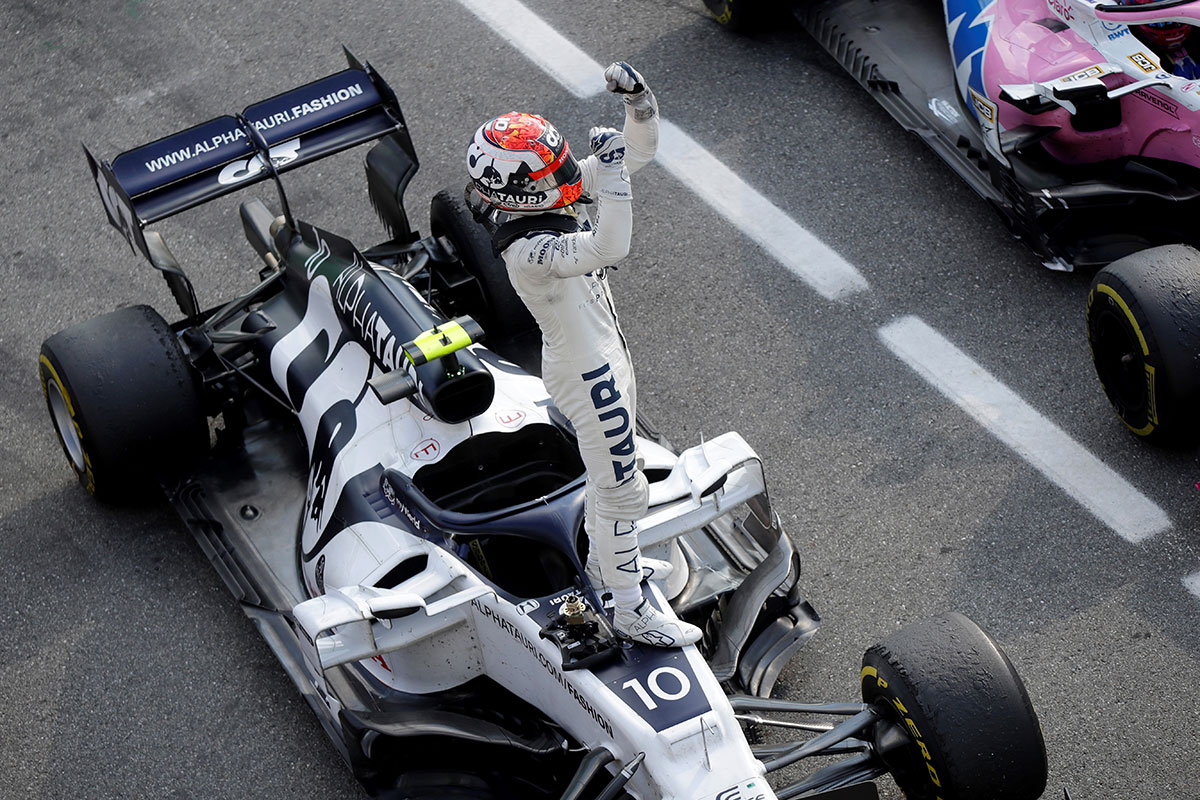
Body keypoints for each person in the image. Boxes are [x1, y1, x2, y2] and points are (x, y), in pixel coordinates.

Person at [466, 62, 702, 648]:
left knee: (609, 484)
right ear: (518, 189)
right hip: (589, 373)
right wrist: (615, 175)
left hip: (605, 359)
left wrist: (639, 104)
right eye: (551, 169)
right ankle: (628, 609)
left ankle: (608, 569)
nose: (567, 175)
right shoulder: (527, 249)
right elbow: (610, 243)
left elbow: (638, 154)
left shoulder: (540, 196)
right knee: (623, 487)